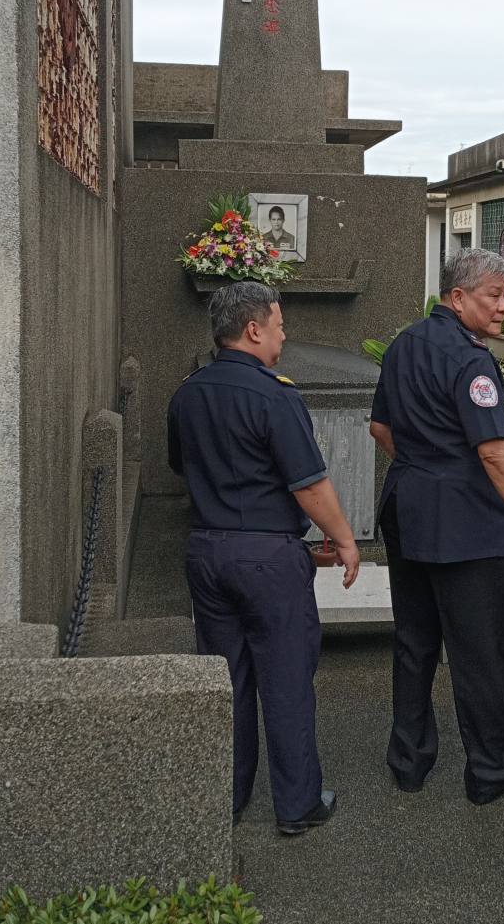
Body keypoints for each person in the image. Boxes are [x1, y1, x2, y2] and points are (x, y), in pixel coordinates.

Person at [167, 281, 359, 834]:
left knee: (226, 678)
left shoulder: (187, 393)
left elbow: (181, 466)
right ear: (253, 329)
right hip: (267, 558)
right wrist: (344, 538)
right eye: (278, 324)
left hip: (206, 552)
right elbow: (309, 483)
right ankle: (297, 805)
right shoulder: (276, 395)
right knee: (287, 679)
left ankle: (229, 793)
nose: (283, 334)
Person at [369, 248, 504, 805]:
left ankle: (409, 761)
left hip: (407, 511)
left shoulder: (404, 344)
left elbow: (380, 428)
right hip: (465, 529)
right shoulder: (472, 361)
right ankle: (491, 772)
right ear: (457, 298)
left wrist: (427, 466)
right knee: (478, 652)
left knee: (413, 641)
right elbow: (497, 453)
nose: (503, 307)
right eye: (493, 296)